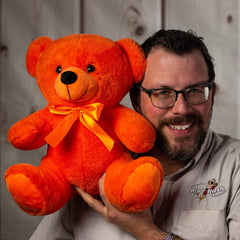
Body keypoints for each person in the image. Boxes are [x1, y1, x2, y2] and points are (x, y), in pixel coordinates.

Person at [30, 29, 240, 240]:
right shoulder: (89, 167)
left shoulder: (235, 165)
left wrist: (146, 232)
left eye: (195, 90)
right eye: (163, 93)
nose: (181, 109)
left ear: (211, 94)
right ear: (136, 100)